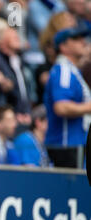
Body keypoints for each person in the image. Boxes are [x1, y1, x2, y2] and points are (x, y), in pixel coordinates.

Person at [43, 27, 91, 168]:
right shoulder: (64, 70)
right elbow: (61, 107)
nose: (82, 42)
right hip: (66, 144)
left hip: (72, 143)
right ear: (63, 47)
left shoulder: (70, 69)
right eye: (75, 39)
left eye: (82, 38)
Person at [0, 26, 32, 125]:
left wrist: (26, 111)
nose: (18, 38)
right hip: (10, 116)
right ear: (2, 42)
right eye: (13, 36)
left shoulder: (19, 59)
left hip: (25, 114)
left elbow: (25, 88)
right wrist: (17, 113)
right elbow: (6, 88)